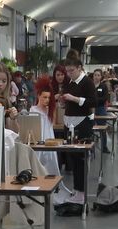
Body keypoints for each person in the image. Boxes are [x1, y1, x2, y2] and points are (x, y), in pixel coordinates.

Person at [30, 76, 72, 204]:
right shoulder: (33, 111)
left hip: (49, 139)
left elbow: (51, 125)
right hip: (38, 141)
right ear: (38, 96)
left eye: (49, 97)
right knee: (38, 165)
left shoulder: (49, 110)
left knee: (51, 164)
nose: (47, 100)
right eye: (44, 97)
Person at [61, 56, 96, 203]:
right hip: (69, 122)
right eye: (67, 71)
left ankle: (81, 192)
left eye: (72, 70)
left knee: (80, 159)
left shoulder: (87, 82)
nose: (69, 74)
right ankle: (76, 189)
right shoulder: (68, 81)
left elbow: (93, 101)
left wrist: (74, 99)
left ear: (80, 67)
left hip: (83, 123)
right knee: (72, 159)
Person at [92, 68, 111, 153]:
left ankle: (104, 147)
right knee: (90, 128)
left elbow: (104, 98)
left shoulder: (103, 86)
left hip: (101, 109)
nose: (96, 77)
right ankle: (90, 148)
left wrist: (95, 100)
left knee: (102, 129)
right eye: (95, 75)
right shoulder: (90, 85)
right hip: (91, 108)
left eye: (98, 75)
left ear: (101, 77)